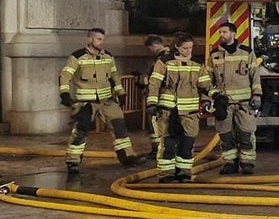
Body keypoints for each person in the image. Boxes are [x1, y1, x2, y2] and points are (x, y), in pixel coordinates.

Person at [59, 27, 142, 174]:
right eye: (99, 39)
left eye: (103, 39)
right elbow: (65, 75)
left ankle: (127, 157)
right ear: (90, 39)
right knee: (81, 130)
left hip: (107, 100)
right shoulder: (77, 57)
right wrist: (64, 93)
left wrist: (121, 92)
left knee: (119, 127)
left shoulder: (108, 57)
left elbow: (114, 76)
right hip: (85, 102)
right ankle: (73, 161)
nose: (102, 42)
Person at [146, 33, 211, 183]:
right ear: (176, 47)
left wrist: (211, 98)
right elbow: (154, 84)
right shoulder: (164, 62)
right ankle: (166, 174)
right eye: (185, 48)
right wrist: (152, 103)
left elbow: (205, 85)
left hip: (190, 113)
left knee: (187, 145)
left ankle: (184, 173)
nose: (188, 51)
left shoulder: (197, 64)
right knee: (168, 144)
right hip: (167, 111)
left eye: (191, 48)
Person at [209, 20, 263, 175]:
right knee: (225, 136)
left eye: (224, 32)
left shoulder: (247, 53)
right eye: (220, 32)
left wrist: (257, 95)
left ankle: (247, 164)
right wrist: (211, 98)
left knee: (246, 134)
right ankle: (230, 164)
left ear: (233, 33)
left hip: (244, 104)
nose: (221, 35)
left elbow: (255, 76)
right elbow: (208, 79)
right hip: (223, 103)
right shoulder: (214, 55)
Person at [142, 35, 174, 150]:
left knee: (155, 123)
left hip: (160, 96)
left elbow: (155, 80)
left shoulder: (161, 60)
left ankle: (158, 149)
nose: (149, 52)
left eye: (149, 48)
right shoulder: (169, 56)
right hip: (167, 97)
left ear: (154, 46)